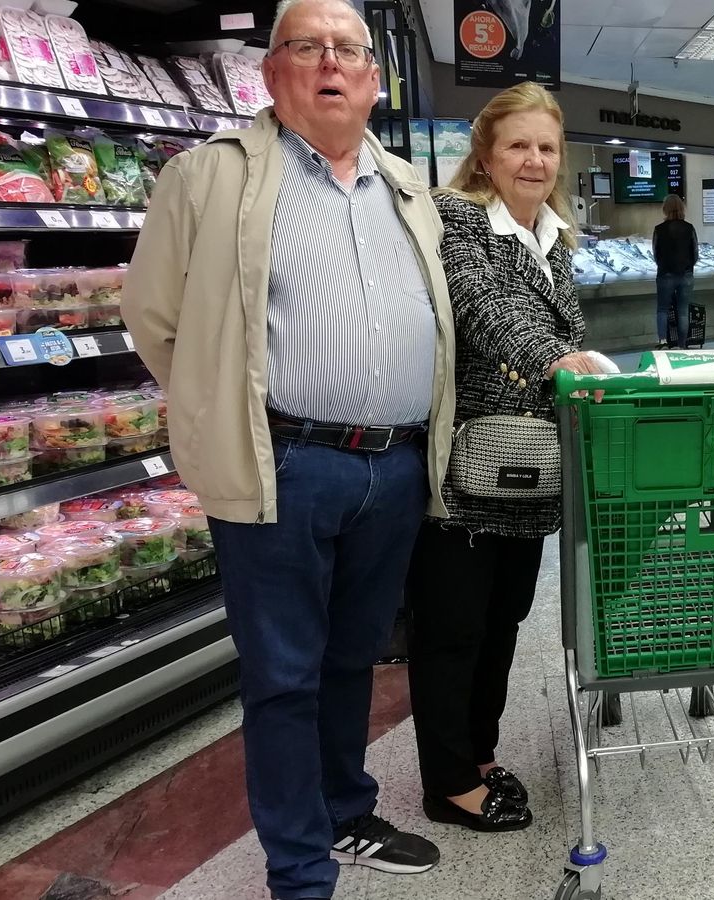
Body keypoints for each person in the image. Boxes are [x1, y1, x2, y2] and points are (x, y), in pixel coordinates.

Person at [122, 0, 455, 896]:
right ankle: (299, 871)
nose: (330, 63)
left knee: (355, 659)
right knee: (282, 677)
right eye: (305, 47)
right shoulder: (207, 177)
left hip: (393, 466)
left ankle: (346, 812)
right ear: (272, 73)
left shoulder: (408, 189)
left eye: (348, 49)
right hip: (285, 467)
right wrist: (217, 411)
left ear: (376, 83)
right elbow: (154, 322)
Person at [405, 81, 601, 833]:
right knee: (453, 627)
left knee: (502, 621)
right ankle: (447, 782)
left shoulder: (556, 240)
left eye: (547, 147)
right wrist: (559, 360)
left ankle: (477, 753)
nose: (535, 159)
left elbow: (561, 330)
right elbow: (481, 308)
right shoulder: (457, 222)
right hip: (467, 462)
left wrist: (580, 365)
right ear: (485, 154)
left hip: (530, 470)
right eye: (518, 144)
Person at [653, 192, 698, 348]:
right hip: (685, 275)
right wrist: (688, 266)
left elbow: (655, 253)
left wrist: (663, 266)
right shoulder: (689, 228)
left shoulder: (659, 229)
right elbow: (695, 253)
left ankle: (663, 341)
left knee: (662, 309)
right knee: (683, 311)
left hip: (665, 275)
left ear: (665, 208)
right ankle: (682, 344)